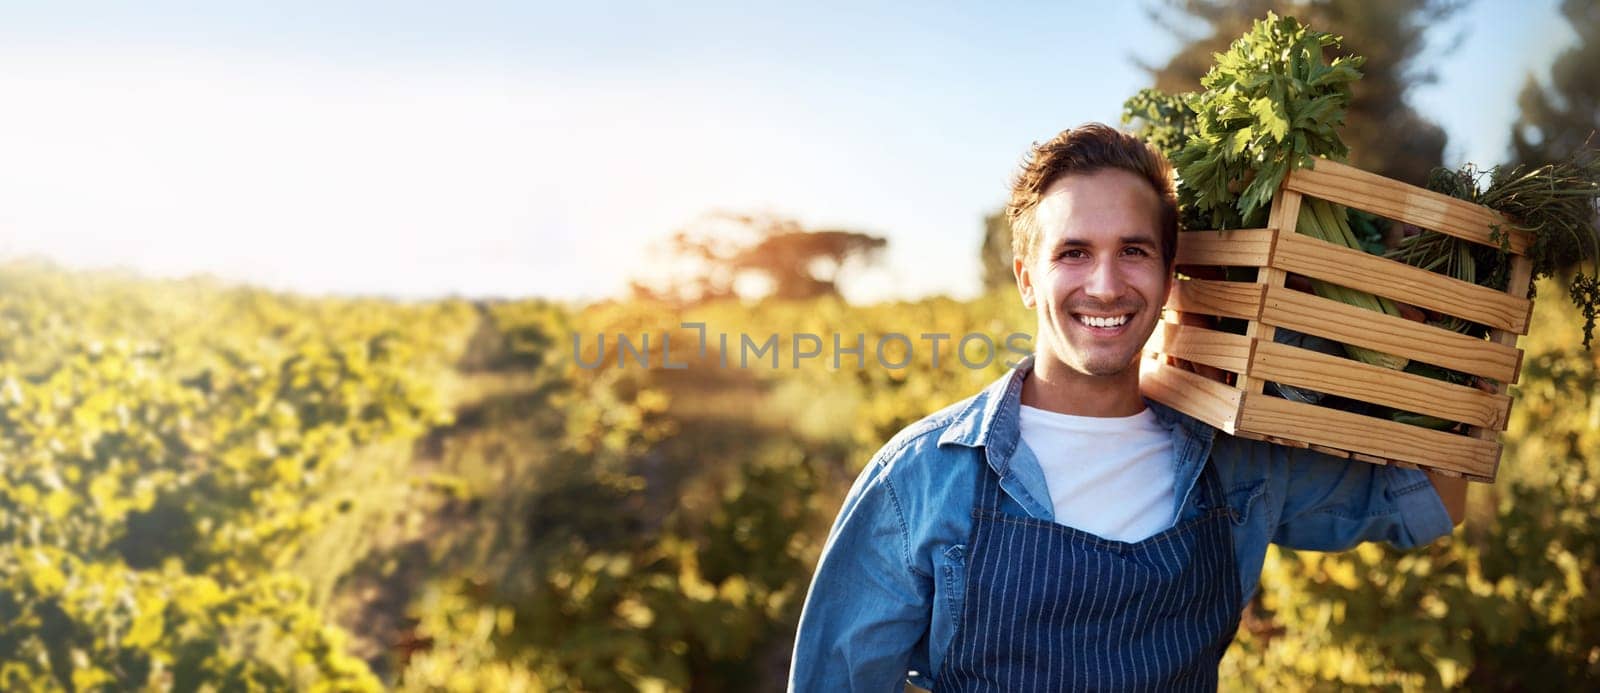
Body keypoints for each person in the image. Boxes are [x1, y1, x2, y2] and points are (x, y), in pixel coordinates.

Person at [786, 123, 1466, 692]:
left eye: (1134, 252)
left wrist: (1435, 340)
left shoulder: (1234, 462)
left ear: (1170, 276)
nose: (1105, 285)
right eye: (1074, 252)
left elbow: (1428, 502)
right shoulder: (922, 480)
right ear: (1027, 277)